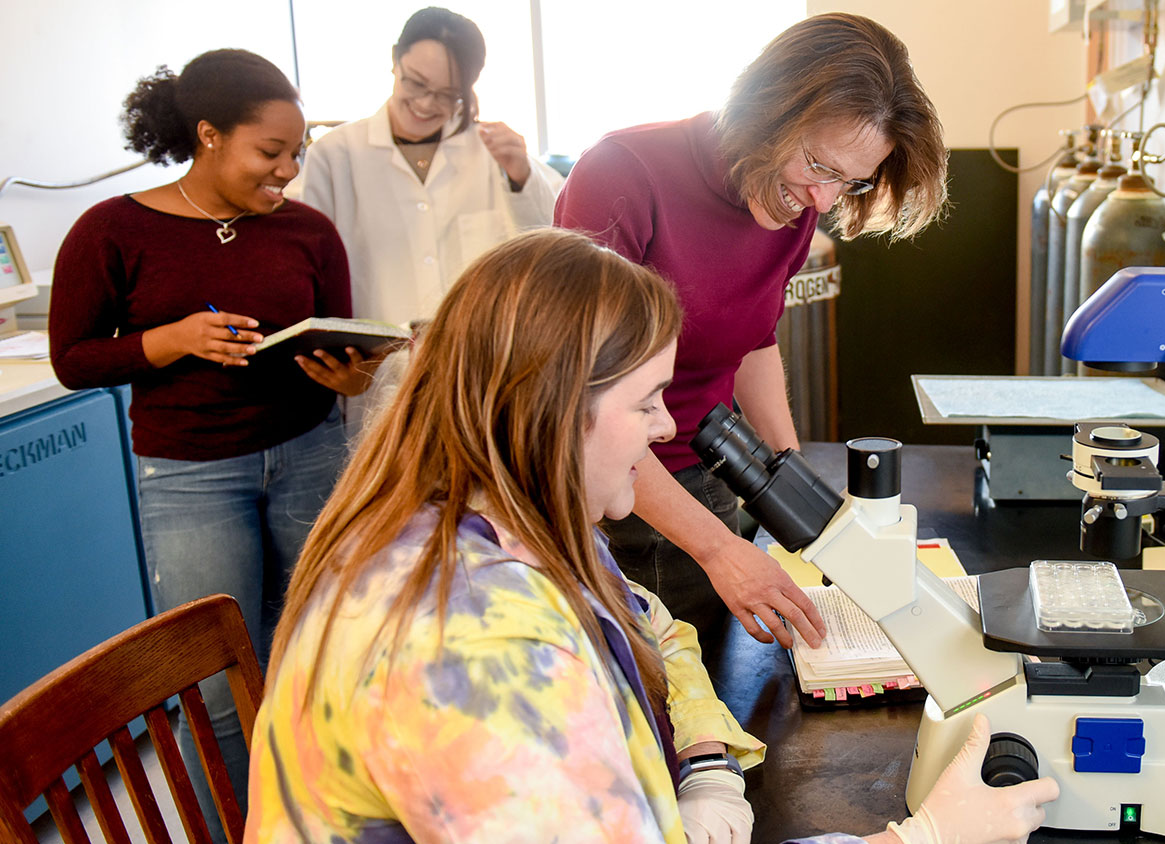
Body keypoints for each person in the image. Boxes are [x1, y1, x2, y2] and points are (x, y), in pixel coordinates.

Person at [244, 228, 1057, 844]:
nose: (668, 427)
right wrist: (930, 836)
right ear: (551, 408)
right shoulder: (471, 649)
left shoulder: (513, 523)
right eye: (645, 403)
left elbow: (654, 630)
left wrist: (704, 763)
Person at [48, 48, 368, 839]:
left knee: (326, 658)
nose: (289, 171)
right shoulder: (110, 231)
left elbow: (342, 340)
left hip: (311, 453)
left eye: (297, 154)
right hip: (190, 476)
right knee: (215, 686)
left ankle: (330, 819)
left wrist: (352, 378)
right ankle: (232, 826)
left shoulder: (310, 232)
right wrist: (171, 340)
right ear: (209, 135)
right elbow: (73, 358)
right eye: (272, 152)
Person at [554, 12, 949, 649]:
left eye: (851, 182)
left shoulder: (793, 199)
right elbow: (581, 401)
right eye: (820, 165)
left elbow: (755, 340)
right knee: (663, 694)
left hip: (711, 466)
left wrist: (793, 490)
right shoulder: (623, 174)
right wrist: (717, 549)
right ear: (768, 108)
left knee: (724, 679)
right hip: (616, 485)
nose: (823, 202)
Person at [291, 5, 564, 327]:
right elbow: (297, 252)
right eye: (416, 84)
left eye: (448, 95)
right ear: (395, 60)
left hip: (474, 353)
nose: (425, 104)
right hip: (373, 362)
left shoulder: (492, 151)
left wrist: (521, 177)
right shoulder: (335, 154)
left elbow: (557, 238)